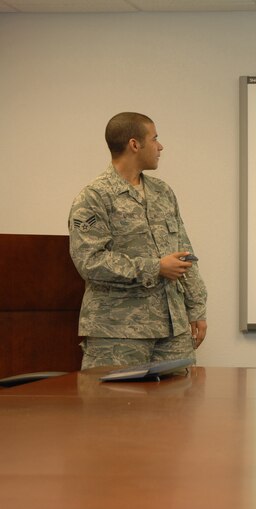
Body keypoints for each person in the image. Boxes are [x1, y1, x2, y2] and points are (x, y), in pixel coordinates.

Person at [68, 112, 207, 368]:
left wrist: (196, 307)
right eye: (154, 138)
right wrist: (156, 267)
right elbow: (90, 261)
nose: (160, 146)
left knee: (179, 406)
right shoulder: (95, 197)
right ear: (134, 144)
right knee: (114, 407)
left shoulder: (162, 192)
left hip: (172, 331)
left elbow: (185, 253)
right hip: (118, 333)